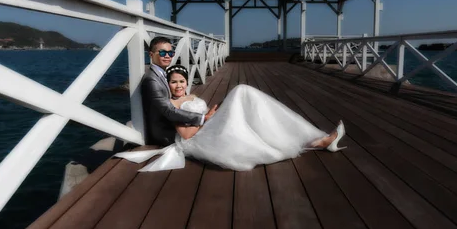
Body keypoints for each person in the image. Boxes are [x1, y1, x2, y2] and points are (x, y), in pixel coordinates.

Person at [116, 65, 346, 172]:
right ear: (168, 85)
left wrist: (211, 116)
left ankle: (315, 139)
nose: (178, 85)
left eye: (181, 81)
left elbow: (204, 116)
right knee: (242, 91)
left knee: (252, 104)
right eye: (173, 82)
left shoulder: (192, 96)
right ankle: (316, 140)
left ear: (187, 82)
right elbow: (186, 134)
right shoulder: (173, 105)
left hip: (208, 126)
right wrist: (206, 118)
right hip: (198, 138)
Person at [140, 37, 218, 147]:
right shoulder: (151, 79)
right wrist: (203, 118)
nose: (167, 56)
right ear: (151, 54)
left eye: (170, 53)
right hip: (165, 134)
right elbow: (168, 110)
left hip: (175, 125)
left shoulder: (161, 74)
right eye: (162, 52)